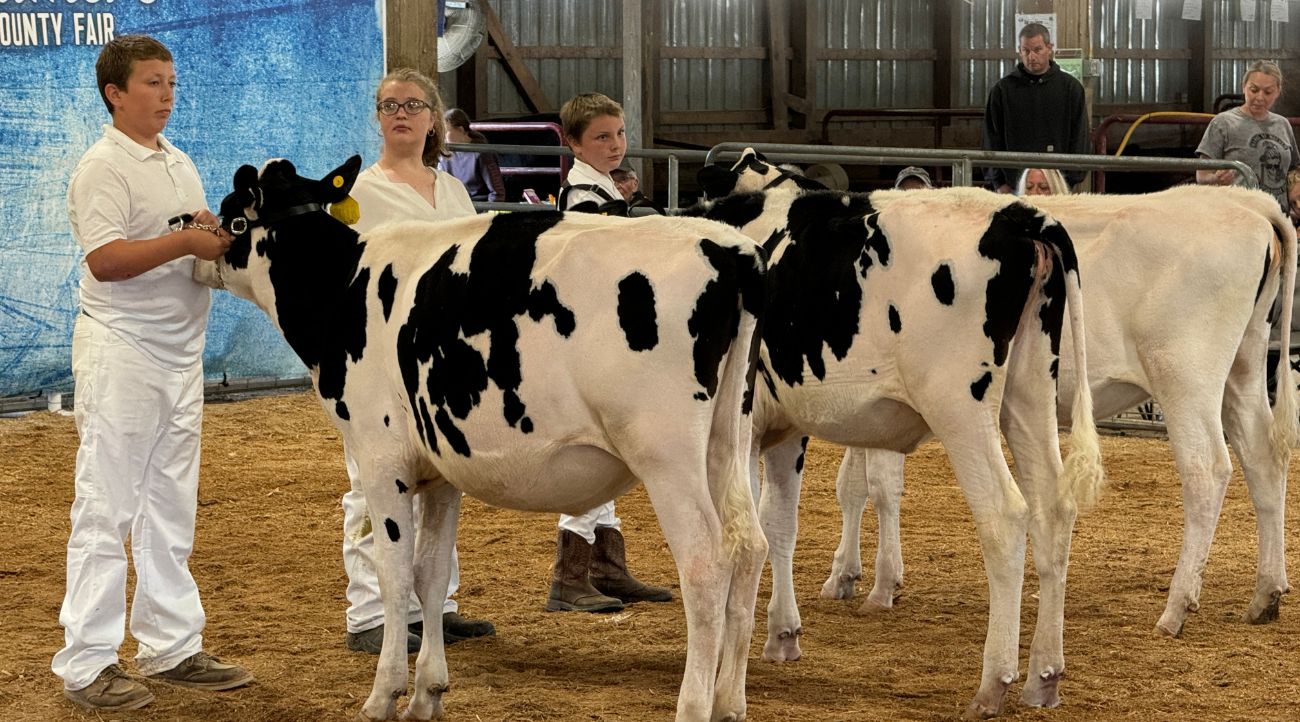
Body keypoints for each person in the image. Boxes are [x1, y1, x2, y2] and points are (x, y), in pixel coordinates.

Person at [53, 34, 252, 712]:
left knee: (170, 503)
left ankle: (171, 645)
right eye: (152, 83)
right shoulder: (102, 166)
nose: (167, 94)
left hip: (178, 353)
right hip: (122, 350)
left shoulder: (178, 161)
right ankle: (87, 664)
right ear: (115, 93)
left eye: (171, 82)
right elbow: (105, 261)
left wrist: (207, 238)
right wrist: (186, 240)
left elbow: (181, 256)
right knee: (108, 505)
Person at [340, 69, 496, 654]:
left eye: (411, 105)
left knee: (443, 480)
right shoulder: (356, 194)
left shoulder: (451, 188)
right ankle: (371, 613)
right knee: (372, 482)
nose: (399, 114)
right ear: (377, 117)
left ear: (433, 117)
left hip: (447, 358)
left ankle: (435, 603)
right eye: (388, 105)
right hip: (378, 358)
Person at [548, 91, 673, 613]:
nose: (615, 145)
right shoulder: (583, 197)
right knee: (598, 449)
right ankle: (568, 577)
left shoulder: (603, 191)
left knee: (613, 449)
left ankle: (606, 566)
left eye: (619, 134)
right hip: (590, 334)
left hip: (604, 331)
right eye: (601, 136)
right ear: (574, 143)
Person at [982, 22, 1089, 193]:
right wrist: (998, 182)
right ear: (1020, 51)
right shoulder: (1002, 90)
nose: (1031, 57)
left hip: (1058, 185)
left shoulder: (1071, 89)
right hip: (1012, 186)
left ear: (1049, 48)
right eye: (1026, 51)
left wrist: (1070, 181)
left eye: (1037, 50)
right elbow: (992, 137)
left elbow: (1079, 138)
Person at [1195, 60, 1300, 216]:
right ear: (1244, 87)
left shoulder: (1282, 124)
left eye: (1268, 92)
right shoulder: (1223, 123)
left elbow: (1293, 168)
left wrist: (1295, 192)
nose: (1259, 97)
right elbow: (1201, 175)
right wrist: (1215, 179)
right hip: (1237, 218)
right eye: (1254, 90)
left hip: (1277, 216)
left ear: (1278, 91)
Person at [439, 107, 507, 202]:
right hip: (454, 204)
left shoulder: (481, 152)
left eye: (446, 132)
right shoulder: (444, 153)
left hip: (477, 205)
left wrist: (488, 213)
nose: (443, 137)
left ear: (461, 129)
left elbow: (496, 192)